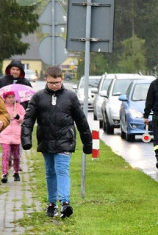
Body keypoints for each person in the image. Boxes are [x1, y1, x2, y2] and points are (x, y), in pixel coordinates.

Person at [20, 66, 92, 218]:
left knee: (61, 169)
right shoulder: (38, 97)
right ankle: (52, 204)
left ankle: (65, 203)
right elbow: (28, 120)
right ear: (46, 79)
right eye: (52, 82)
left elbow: (81, 121)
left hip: (64, 140)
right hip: (46, 140)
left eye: (57, 82)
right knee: (50, 172)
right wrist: (26, 139)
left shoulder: (70, 97)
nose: (54, 85)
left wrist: (88, 142)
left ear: (62, 80)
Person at [1, 91, 25, 183]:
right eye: (9, 97)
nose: (11, 99)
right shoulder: (2, 107)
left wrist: (18, 116)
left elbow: (23, 117)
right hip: (5, 135)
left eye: (13, 97)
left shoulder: (18, 107)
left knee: (16, 155)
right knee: (6, 155)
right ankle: (4, 173)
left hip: (16, 135)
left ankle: (16, 172)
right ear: (5, 98)